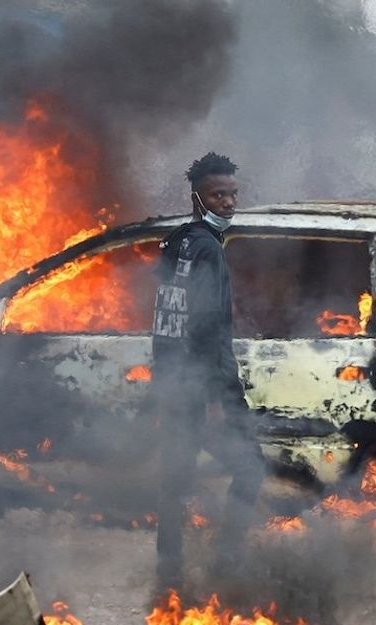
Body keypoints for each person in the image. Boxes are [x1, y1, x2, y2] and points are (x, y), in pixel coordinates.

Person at [151, 152, 264, 592]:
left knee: (175, 476)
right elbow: (208, 328)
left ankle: (169, 567)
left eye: (233, 194)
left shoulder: (174, 242)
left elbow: (163, 318)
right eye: (219, 195)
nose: (229, 203)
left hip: (174, 383)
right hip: (203, 387)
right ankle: (227, 561)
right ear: (198, 198)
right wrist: (218, 398)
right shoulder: (209, 250)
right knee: (250, 469)